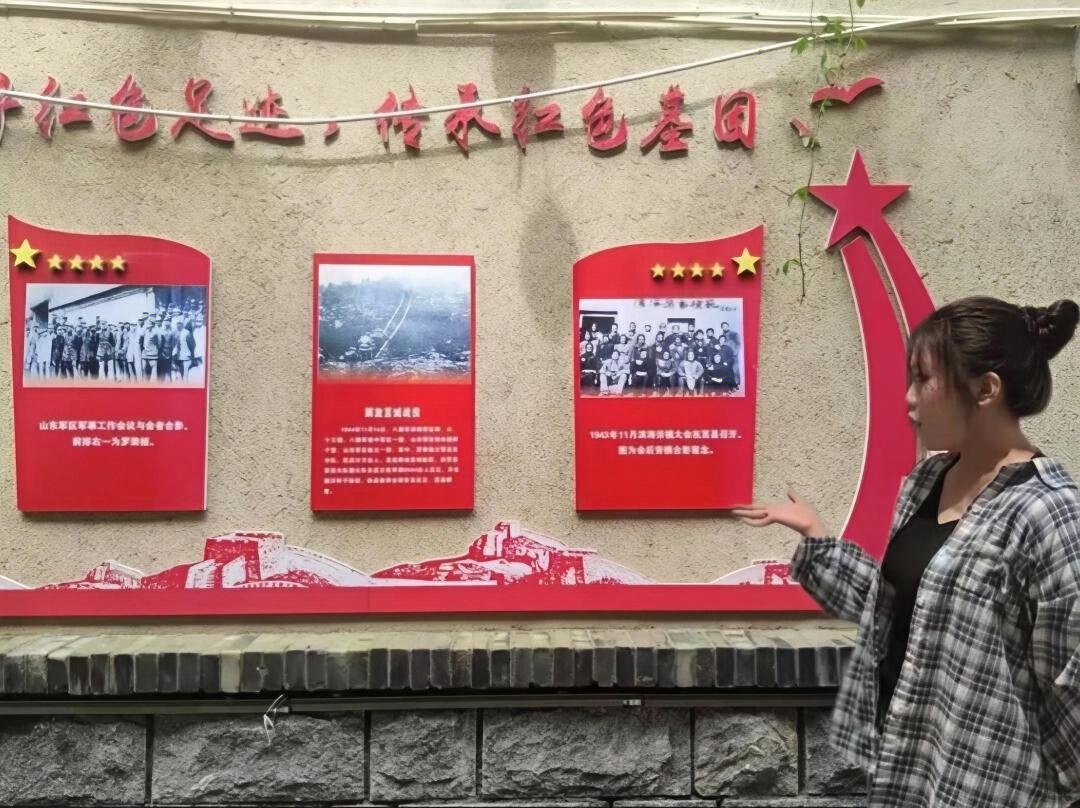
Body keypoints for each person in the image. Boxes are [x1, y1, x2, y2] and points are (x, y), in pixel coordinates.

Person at [734, 297, 1080, 808]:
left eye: (923, 380)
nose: (909, 400)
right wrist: (817, 536)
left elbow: (1070, 684)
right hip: (907, 774)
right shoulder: (927, 480)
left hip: (989, 788)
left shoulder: (1047, 513)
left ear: (986, 389)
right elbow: (900, 611)